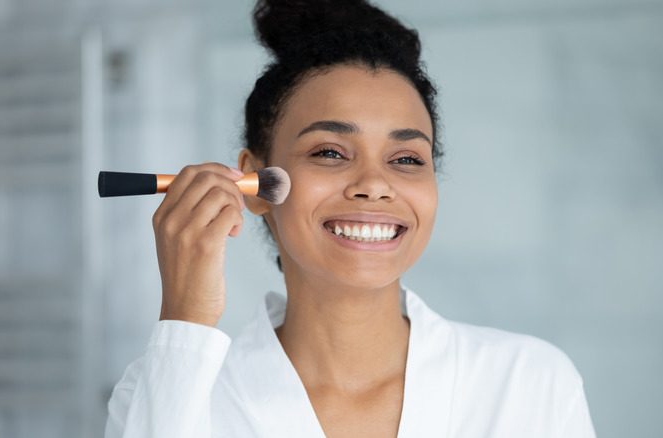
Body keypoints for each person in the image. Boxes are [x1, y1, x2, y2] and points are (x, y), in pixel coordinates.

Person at [105, 0, 596, 437]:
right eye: (330, 151)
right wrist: (185, 319)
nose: (375, 183)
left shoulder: (530, 386)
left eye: (406, 159)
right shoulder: (169, 389)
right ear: (254, 184)